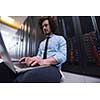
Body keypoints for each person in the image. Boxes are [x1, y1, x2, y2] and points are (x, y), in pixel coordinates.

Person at [0, 16, 67, 83]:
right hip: (39, 67)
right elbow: (39, 56)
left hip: (53, 68)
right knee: (3, 67)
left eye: (46, 25)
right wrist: (30, 59)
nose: (44, 28)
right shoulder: (42, 43)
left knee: (25, 78)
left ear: (51, 26)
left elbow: (62, 56)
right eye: (43, 26)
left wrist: (44, 61)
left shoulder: (60, 39)